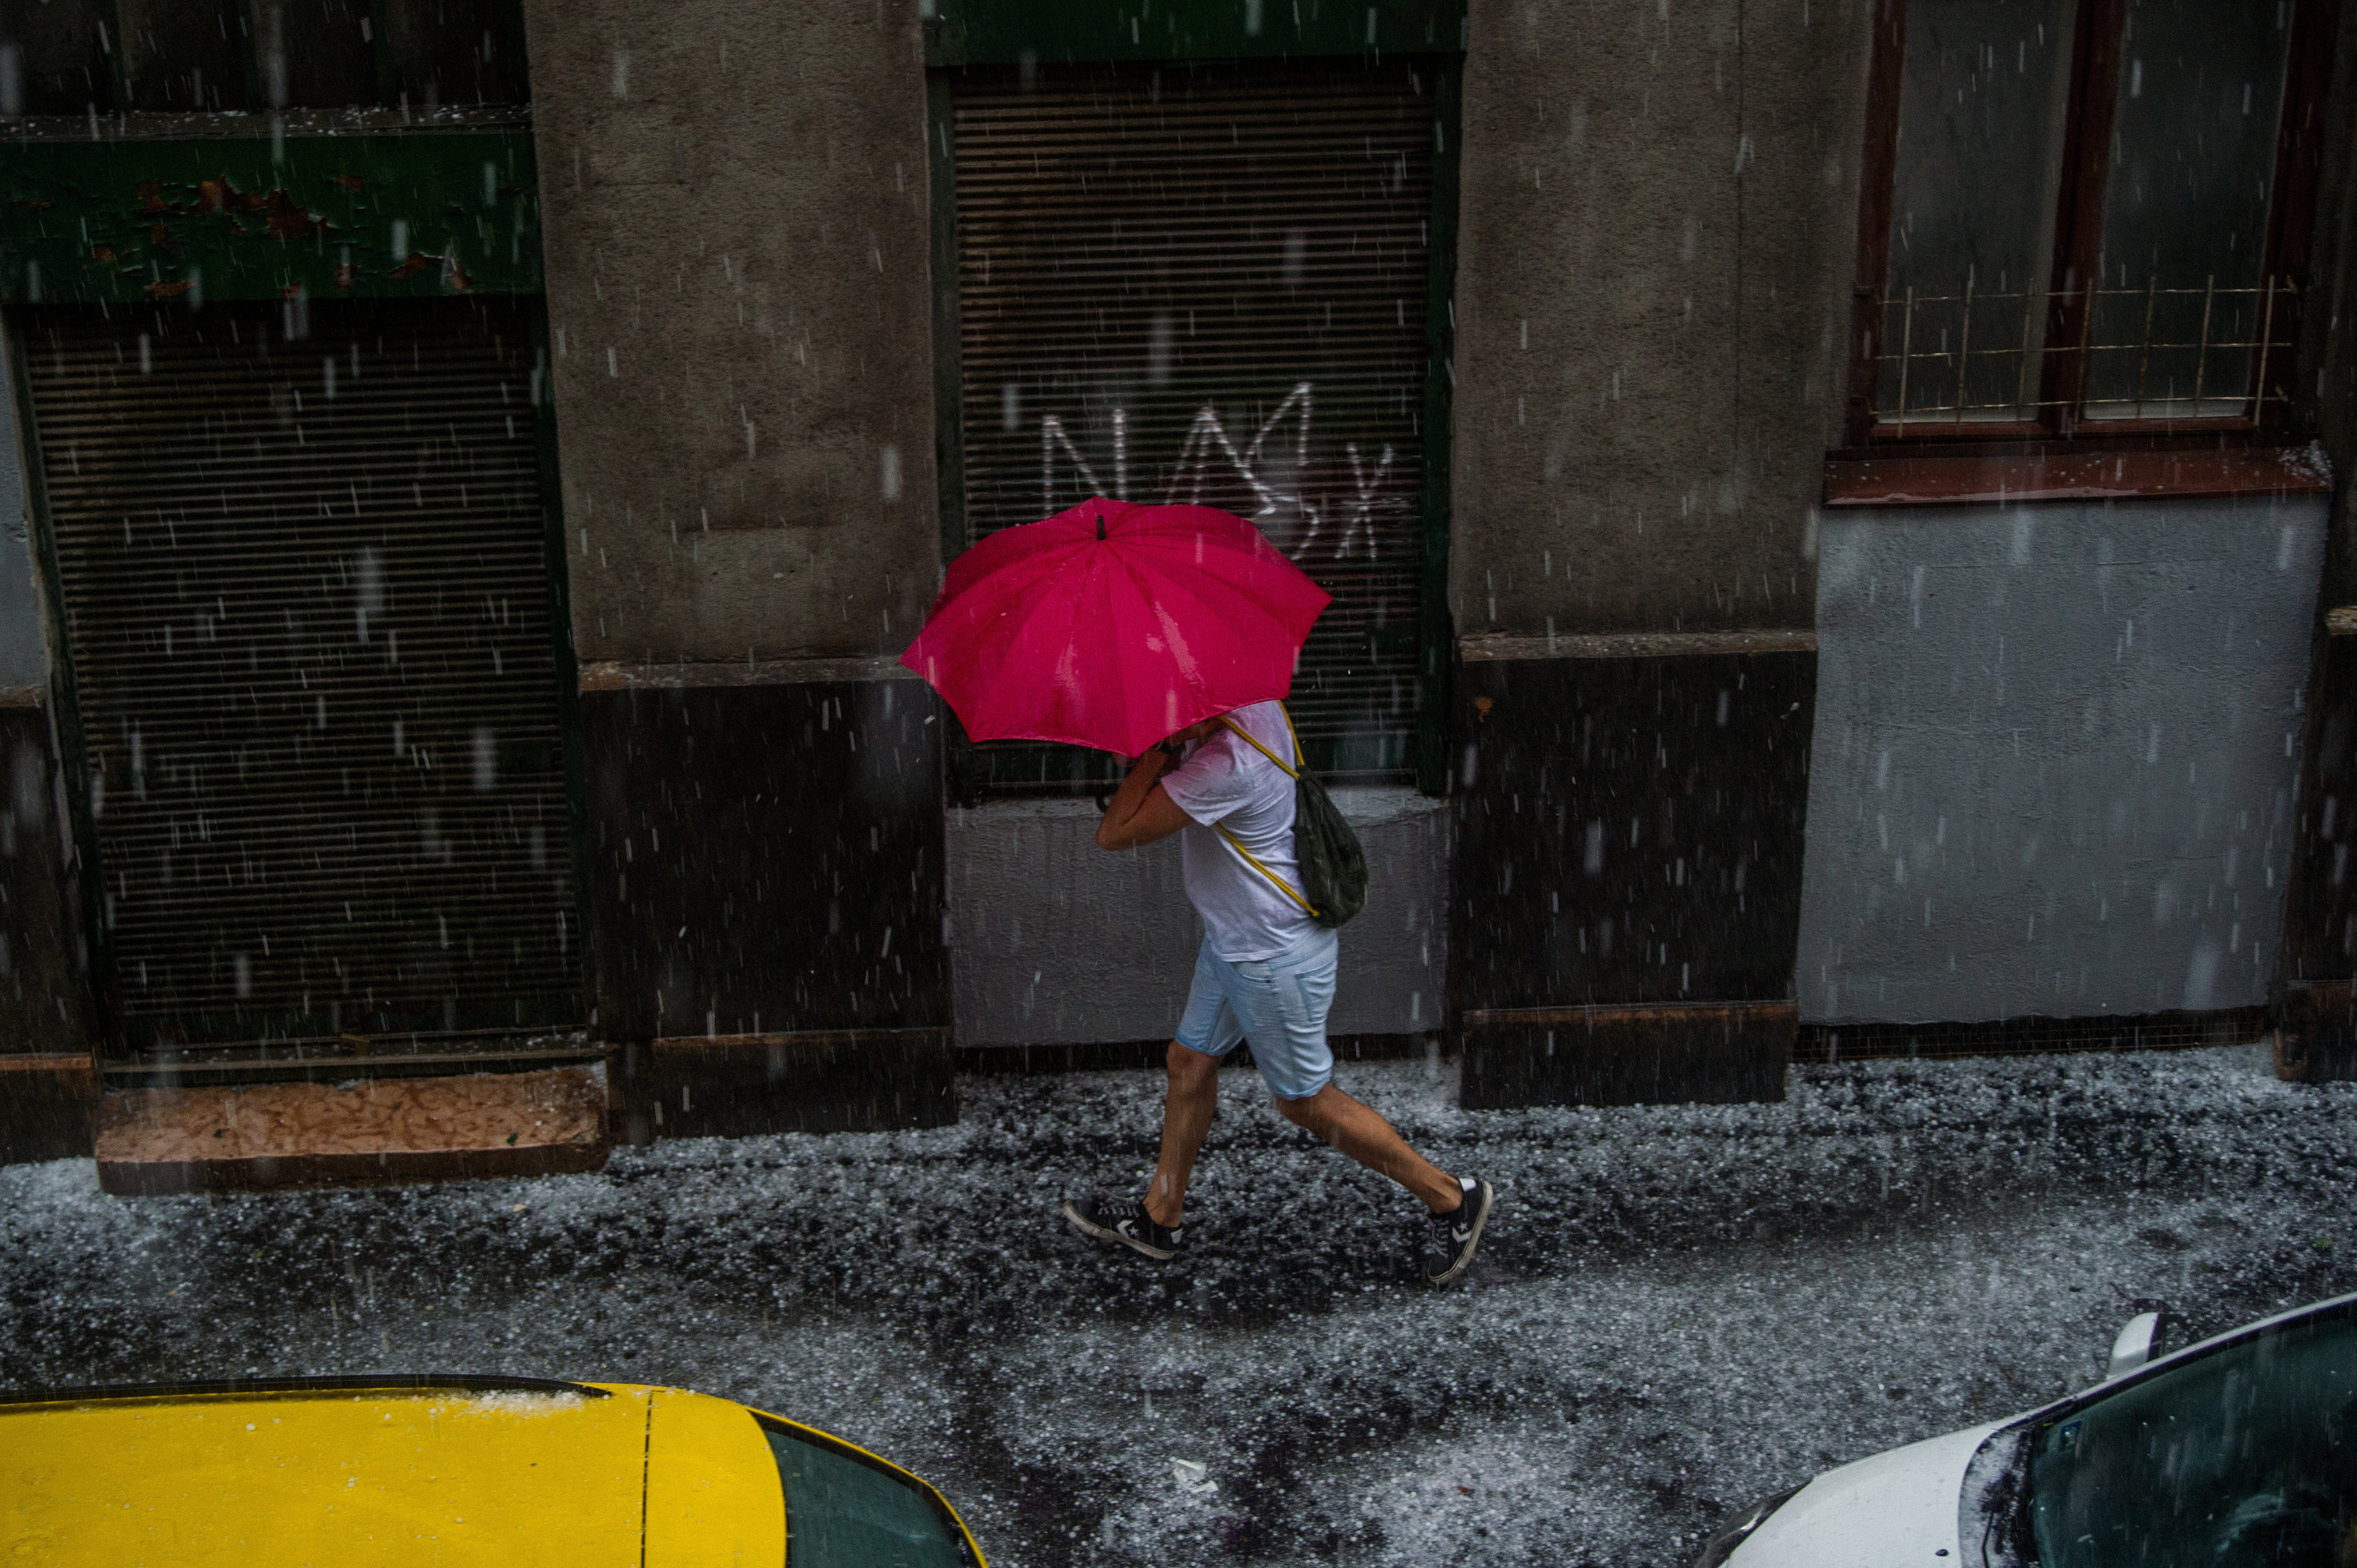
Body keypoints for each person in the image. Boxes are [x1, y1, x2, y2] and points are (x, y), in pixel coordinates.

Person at [1060, 699, 1494, 1285]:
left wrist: (1162, 747)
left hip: (1270, 956)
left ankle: (1451, 1195)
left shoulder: (1228, 763)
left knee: (1303, 1099)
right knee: (1189, 1062)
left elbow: (1114, 832)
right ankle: (1160, 1217)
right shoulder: (1260, 707)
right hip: (1234, 941)